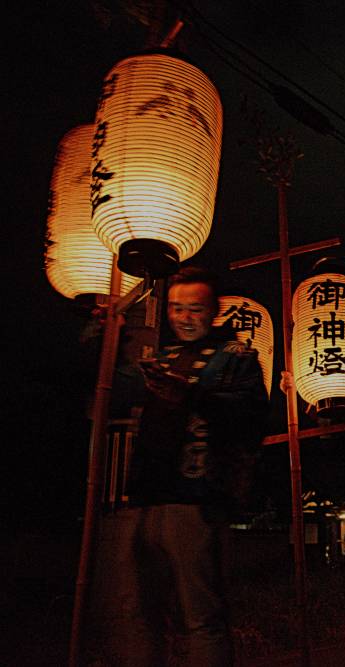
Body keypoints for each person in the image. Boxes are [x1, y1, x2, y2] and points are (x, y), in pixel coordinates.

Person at [108, 266, 269, 666]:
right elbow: (109, 386)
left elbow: (253, 417)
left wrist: (193, 395)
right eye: (177, 308)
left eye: (194, 309)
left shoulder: (236, 357)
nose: (184, 317)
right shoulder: (161, 357)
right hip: (145, 497)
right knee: (139, 613)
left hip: (196, 499)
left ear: (213, 310)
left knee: (201, 615)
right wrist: (103, 337)